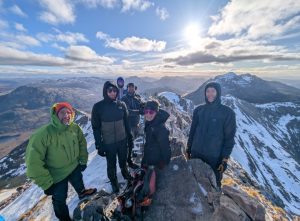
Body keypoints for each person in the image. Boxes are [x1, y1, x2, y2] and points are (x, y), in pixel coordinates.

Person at [25, 102, 96, 221]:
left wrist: (83, 160)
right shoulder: (43, 134)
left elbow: (82, 144)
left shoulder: (74, 128)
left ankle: (82, 193)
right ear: (55, 114)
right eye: (62, 112)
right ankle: (64, 219)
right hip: (56, 175)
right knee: (59, 199)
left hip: (73, 166)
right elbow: (33, 163)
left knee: (78, 181)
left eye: (69, 112)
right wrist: (46, 183)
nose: (66, 115)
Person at [186, 82, 236, 188]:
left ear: (218, 93)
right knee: (193, 181)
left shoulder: (227, 113)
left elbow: (229, 139)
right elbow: (193, 131)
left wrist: (224, 159)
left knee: (213, 184)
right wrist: (188, 148)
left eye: (213, 91)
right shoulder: (199, 110)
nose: (210, 94)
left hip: (214, 157)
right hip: (196, 153)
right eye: (207, 91)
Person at [91, 81, 133, 193]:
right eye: (110, 90)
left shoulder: (121, 105)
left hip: (122, 141)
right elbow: (96, 128)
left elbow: (126, 123)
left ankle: (126, 175)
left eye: (115, 90)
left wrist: (130, 137)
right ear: (105, 91)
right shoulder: (98, 107)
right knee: (111, 165)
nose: (113, 93)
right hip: (109, 143)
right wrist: (99, 145)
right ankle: (114, 183)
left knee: (123, 162)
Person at [142, 100, 171, 170]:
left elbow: (165, 148)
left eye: (151, 112)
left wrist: (165, 163)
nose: (148, 114)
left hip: (157, 164)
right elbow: (148, 144)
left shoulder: (160, 128)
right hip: (149, 160)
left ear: (156, 113)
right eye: (146, 112)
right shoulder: (149, 123)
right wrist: (144, 162)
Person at [122, 83, 145, 169]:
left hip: (136, 123)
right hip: (128, 125)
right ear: (127, 88)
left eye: (132, 87)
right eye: (129, 87)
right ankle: (128, 160)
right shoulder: (124, 98)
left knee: (135, 140)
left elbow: (142, 107)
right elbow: (127, 112)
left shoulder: (137, 97)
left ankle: (133, 156)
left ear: (135, 88)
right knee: (129, 142)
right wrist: (139, 111)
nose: (131, 89)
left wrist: (143, 108)